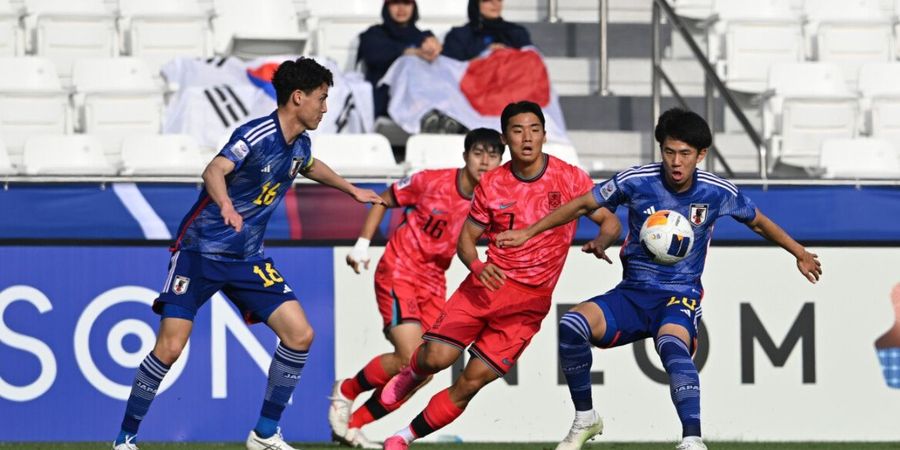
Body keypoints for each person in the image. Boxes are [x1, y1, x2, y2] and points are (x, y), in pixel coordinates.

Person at [495, 108, 823, 450]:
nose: (676, 162)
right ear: (660, 150)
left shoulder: (715, 191)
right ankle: (585, 418)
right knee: (572, 324)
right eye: (669, 152)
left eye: (684, 154)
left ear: (701, 155)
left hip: (678, 295)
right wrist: (527, 233)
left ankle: (693, 439)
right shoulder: (636, 181)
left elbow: (757, 221)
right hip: (632, 295)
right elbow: (580, 205)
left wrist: (798, 252)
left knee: (672, 346)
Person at [111, 57, 384, 450]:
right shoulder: (256, 134)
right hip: (199, 253)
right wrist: (224, 204)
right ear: (298, 97)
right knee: (169, 348)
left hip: (247, 258)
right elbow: (213, 170)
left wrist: (351, 189)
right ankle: (125, 438)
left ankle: (265, 433)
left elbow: (308, 165)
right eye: (322, 99)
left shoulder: (300, 143)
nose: (326, 108)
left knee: (300, 334)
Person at [378, 101, 622, 450]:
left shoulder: (569, 178)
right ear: (506, 138)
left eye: (534, 130)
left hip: (529, 304)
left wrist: (601, 240)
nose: (527, 138)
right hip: (485, 287)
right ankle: (413, 371)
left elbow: (610, 221)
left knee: (470, 383)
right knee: (436, 358)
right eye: (518, 130)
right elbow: (466, 239)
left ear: (544, 134)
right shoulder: (492, 184)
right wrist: (477, 265)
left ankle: (403, 437)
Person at [329, 128, 504, 448]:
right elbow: (385, 199)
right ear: (465, 156)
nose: (485, 162)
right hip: (400, 270)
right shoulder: (430, 181)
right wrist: (363, 244)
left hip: (435, 281)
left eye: (493, 155)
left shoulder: (492, 204)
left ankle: (354, 424)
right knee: (410, 355)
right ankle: (347, 391)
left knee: (427, 365)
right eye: (478, 153)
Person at [358, 0, 442, 118]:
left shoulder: (424, 37)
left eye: (407, 3)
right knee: (408, 62)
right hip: (385, 103)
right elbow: (374, 54)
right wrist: (412, 52)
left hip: (423, 99)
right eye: (395, 3)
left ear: (414, 6)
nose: (401, 8)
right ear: (387, 6)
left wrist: (434, 48)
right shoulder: (374, 35)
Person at [442, 0, 533, 61]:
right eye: (488, 0)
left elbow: (532, 65)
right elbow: (450, 70)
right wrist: (484, 57)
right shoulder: (459, 35)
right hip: (472, 87)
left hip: (511, 87)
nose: (495, 3)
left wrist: (509, 55)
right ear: (476, 3)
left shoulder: (516, 32)